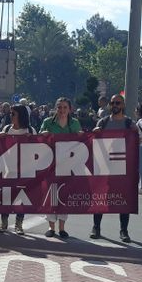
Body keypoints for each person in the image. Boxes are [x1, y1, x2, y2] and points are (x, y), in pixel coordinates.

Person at [91, 94, 135, 243]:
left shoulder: (129, 123)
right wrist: (95, 131)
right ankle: (96, 227)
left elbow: (139, 140)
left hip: (123, 168)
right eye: (112, 103)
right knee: (100, 197)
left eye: (118, 102)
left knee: (123, 199)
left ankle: (124, 230)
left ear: (122, 105)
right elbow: (93, 139)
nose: (115, 105)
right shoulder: (103, 122)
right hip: (104, 166)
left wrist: (137, 133)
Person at [40, 97, 82, 238]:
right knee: (51, 195)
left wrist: (82, 136)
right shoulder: (47, 122)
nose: (62, 110)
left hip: (68, 165)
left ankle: (62, 228)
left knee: (64, 195)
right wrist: (43, 135)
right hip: (50, 165)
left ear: (69, 109)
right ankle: (51, 227)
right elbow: (38, 141)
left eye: (65, 107)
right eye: (59, 107)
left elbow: (81, 142)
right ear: (55, 108)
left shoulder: (75, 123)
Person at [0, 103, 36, 234]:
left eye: (13, 114)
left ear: (21, 115)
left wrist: (32, 140)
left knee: (22, 199)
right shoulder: (7, 129)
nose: (11, 116)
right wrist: (0, 138)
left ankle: (19, 224)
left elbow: (38, 150)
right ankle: (4, 223)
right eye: (10, 113)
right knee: (6, 197)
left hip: (26, 170)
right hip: (10, 169)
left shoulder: (30, 131)